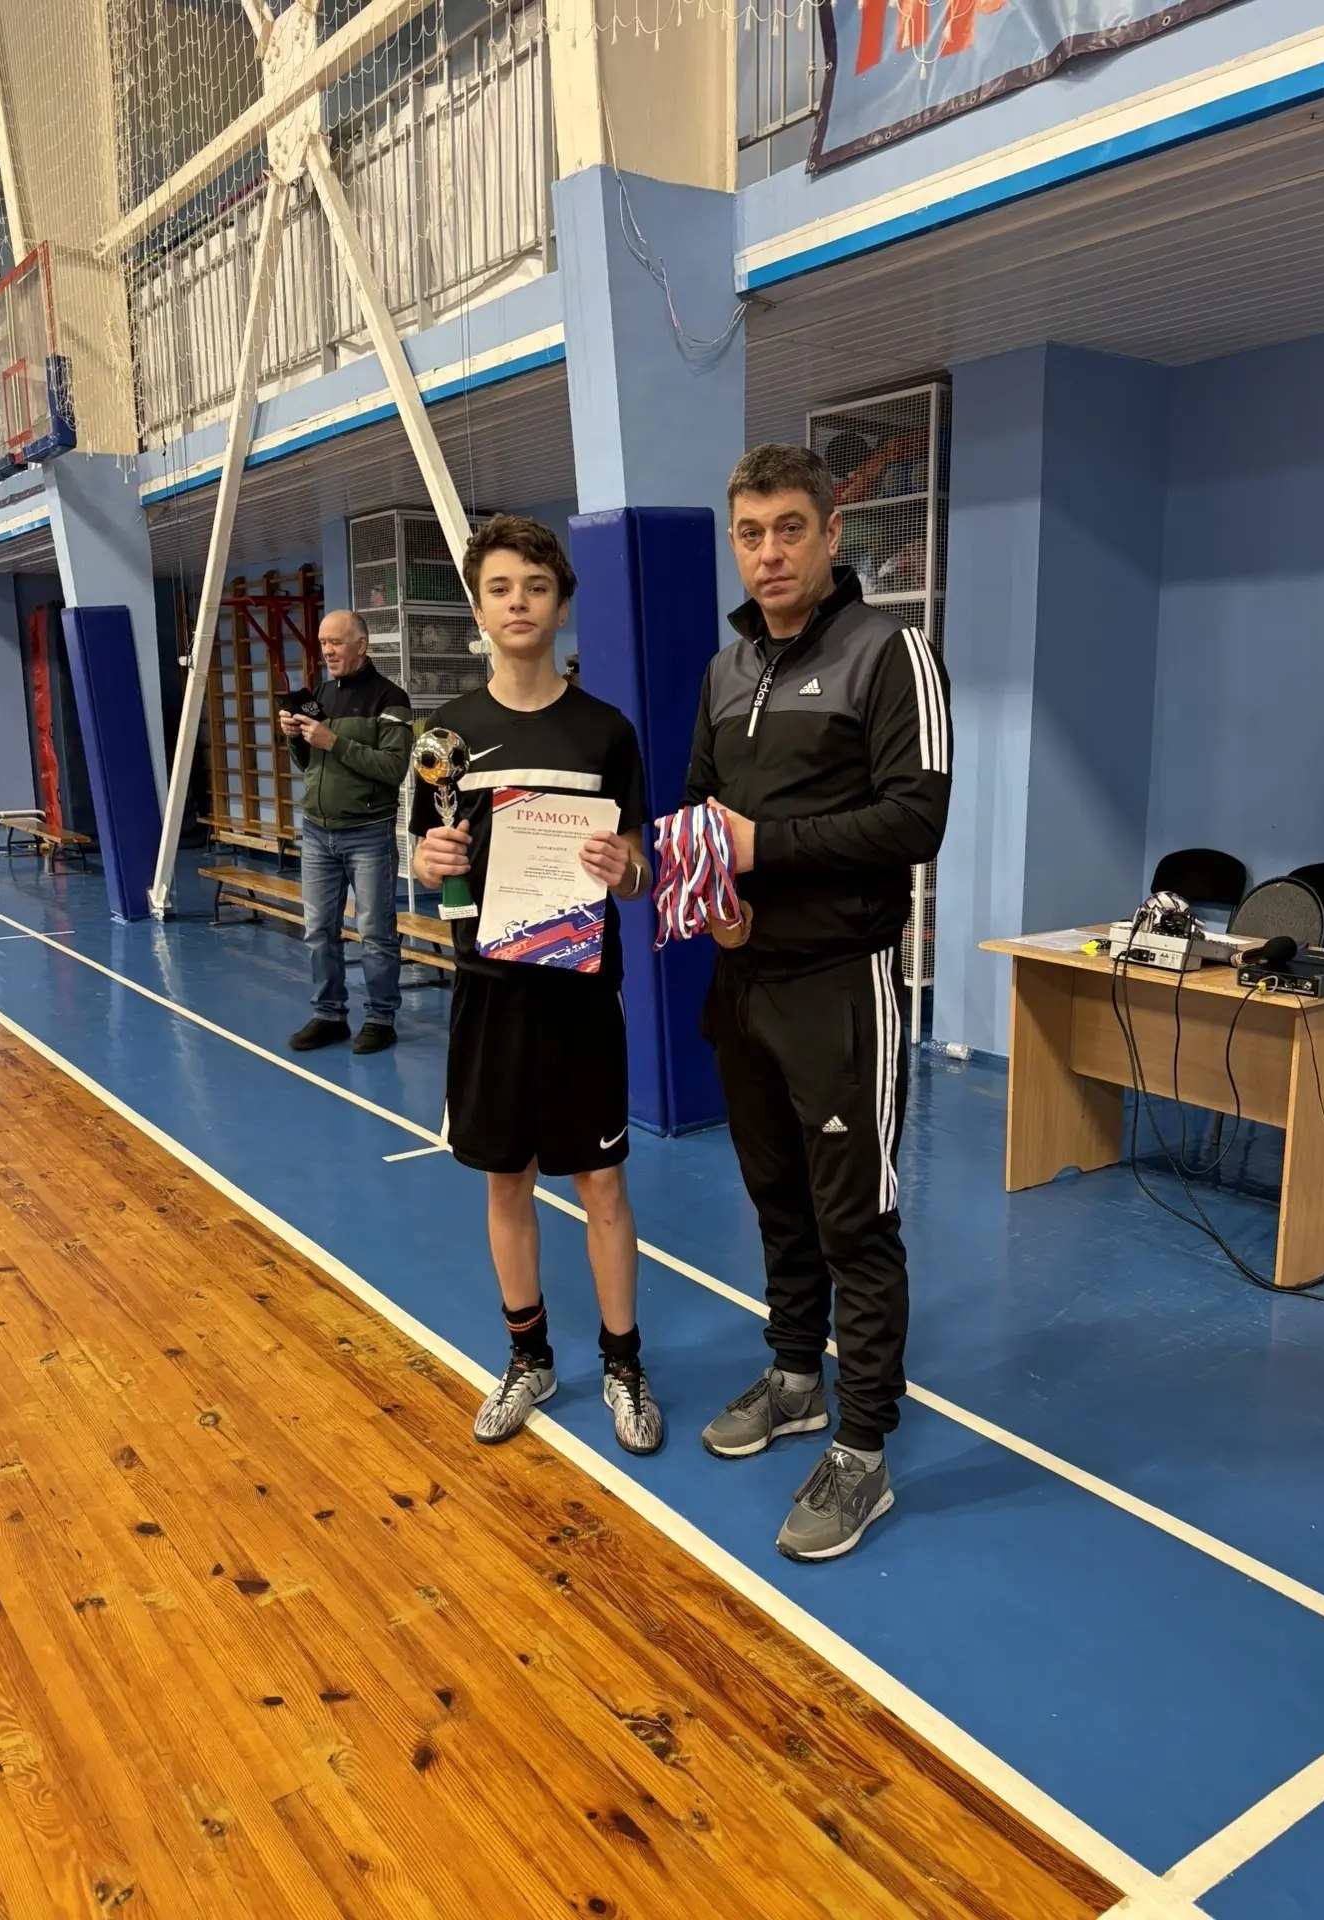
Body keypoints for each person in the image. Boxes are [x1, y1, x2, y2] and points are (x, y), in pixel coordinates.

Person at [684, 444, 952, 1561]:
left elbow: (916, 820)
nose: (770, 552)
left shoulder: (890, 653)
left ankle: (864, 1446)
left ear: (832, 534)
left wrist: (767, 849)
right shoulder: (725, 668)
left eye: (790, 528)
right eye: (750, 533)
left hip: (843, 985)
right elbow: (705, 810)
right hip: (741, 982)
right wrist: (708, 890)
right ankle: (797, 1374)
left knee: (855, 1218)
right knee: (776, 1198)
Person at [412, 515, 663, 1455]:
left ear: (561, 605)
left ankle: (623, 1365)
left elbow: (638, 867)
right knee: (505, 1181)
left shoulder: (606, 731)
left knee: (602, 1183)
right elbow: (429, 858)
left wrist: (624, 869)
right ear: (479, 610)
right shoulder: (447, 736)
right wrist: (430, 862)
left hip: (581, 995)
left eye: (536, 587)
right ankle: (529, 1358)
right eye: (500, 589)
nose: (518, 603)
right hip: (490, 992)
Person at [280, 609, 412, 1056]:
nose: (328, 651)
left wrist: (333, 742)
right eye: (323, 643)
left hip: (368, 833)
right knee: (318, 929)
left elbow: (393, 768)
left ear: (361, 645)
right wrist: (295, 737)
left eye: (336, 642)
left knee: (375, 931)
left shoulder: (390, 698)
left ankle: (380, 1019)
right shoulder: (321, 694)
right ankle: (329, 1015)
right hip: (318, 832)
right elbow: (309, 764)